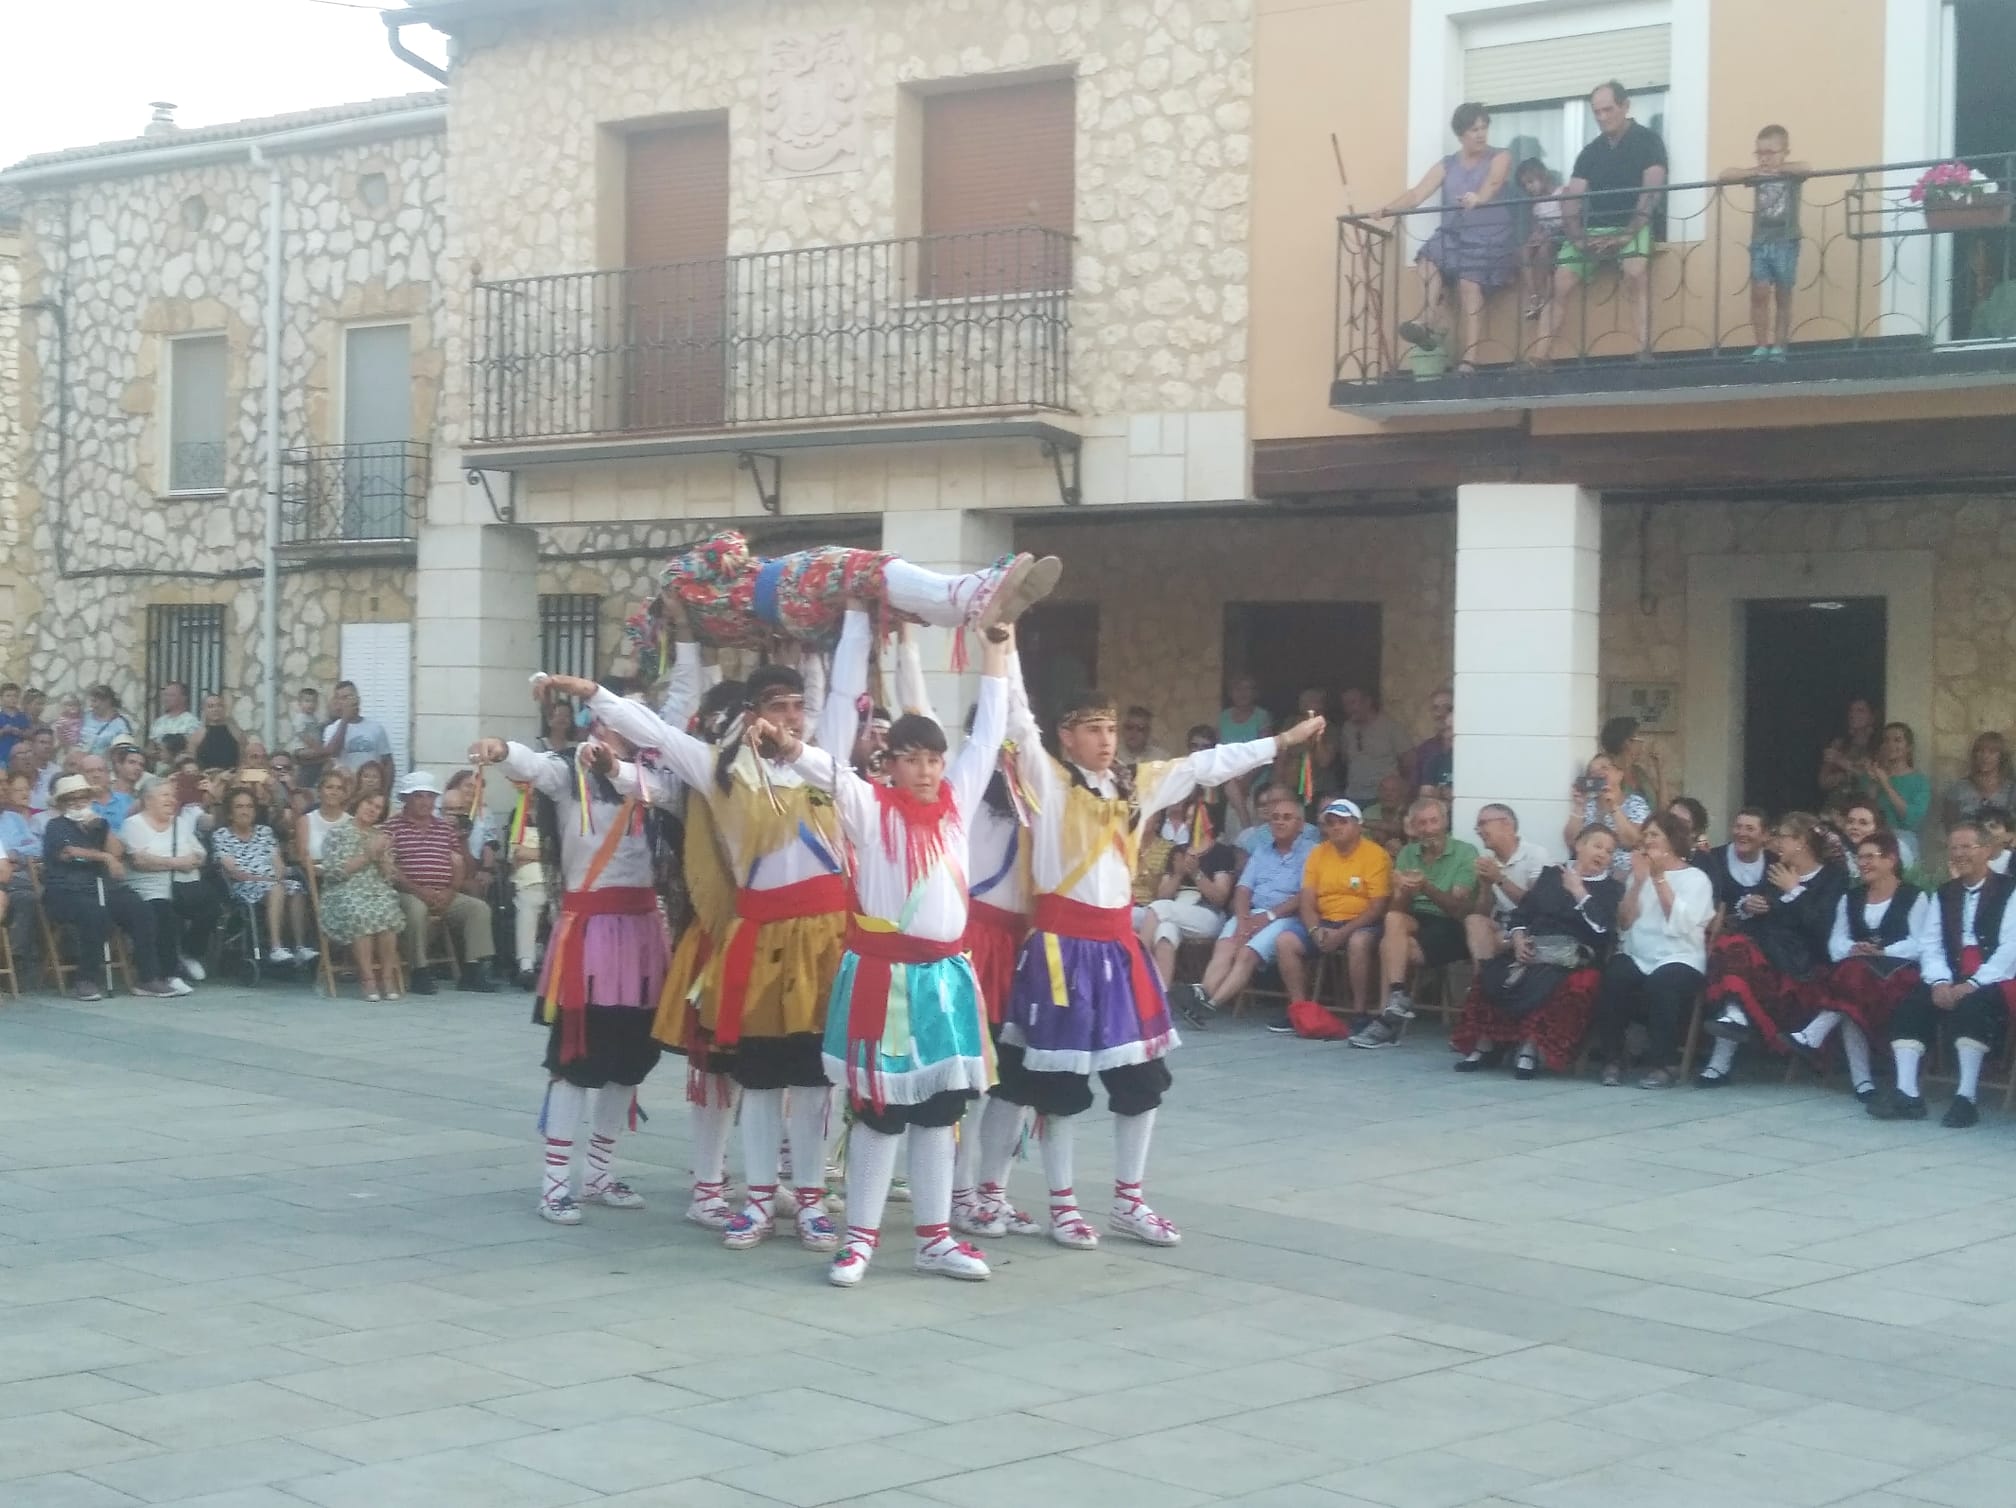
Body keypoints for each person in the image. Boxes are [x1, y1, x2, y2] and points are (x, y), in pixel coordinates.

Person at [544, 607, 877, 1255]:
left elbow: (842, 690)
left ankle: (810, 1203)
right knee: (757, 1079)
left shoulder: (825, 763)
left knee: (813, 1082)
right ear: (752, 713)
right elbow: (660, 737)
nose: (791, 717)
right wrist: (597, 696)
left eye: (796, 706)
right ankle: (753, 1202)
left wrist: (860, 611)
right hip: (758, 941)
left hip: (823, 944)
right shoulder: (720, 771)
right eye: (777, 707)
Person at [972, 681, 1321, 1251]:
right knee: (1057, 1085)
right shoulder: (1049, 783)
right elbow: (1018, 719)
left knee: (1144, 1080)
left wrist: (1280, 740)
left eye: (1110, 729)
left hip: (1116, 950)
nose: (1107, 740)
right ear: (1066, 737)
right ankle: (1062, 1207)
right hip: (1060, 950)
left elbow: (1208, 764)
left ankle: (1129, 1201)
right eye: (1093, 729)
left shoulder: (1138, 785)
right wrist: (1001, 642)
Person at [761, 626, 1012, 1285]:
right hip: (883, 978)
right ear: (890, 764)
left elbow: (989, 733)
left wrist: (997, 651)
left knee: (939, 1114)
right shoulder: (869, 811)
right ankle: (859, 1242)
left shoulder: (957, 806)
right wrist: (792, 740)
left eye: (934, 759)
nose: (927, 771)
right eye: (913, 759)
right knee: (879, 1113)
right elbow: (827, 766)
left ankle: (935, 1239)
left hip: (947, 981)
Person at [466, 720, 678, 1228]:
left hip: (644, 931)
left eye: (625, 727)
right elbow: (534, 767)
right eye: (606, 726)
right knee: (577, 1057)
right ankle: (556, 1182)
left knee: (632, 1059)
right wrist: (501, 750)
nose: (614, 736)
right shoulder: (569, 774)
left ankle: (600, 1172)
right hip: (591, 934)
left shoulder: (654, 779)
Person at [632, 529, 1060, 660]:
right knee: (857, 565)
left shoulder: (703, 631)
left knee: (873, 593)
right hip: (781, 585)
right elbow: (729, 544)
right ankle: (965, 595)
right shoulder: (673, 579)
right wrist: (728, 555)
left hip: (794, 618)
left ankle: (970, 605)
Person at [1867, 821, 2016, 1127]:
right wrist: (1938, 981)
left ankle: (1966, 1097)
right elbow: (1930, 944)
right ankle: (1907, 1093)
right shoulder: (1945, 893)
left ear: (1986, 851)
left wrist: (1973, 983)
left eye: (1966, 847)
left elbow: (2011, 947)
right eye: (1953, 848)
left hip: (1997, 976)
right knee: (1912, 1004)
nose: (1958, 854)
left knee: (1973, 1007)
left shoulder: (2010, 890)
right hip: (1952, 972)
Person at [1452, 824, 1620, 1077]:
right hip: (1535, 944)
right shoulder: (1551, 875)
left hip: (1573, 955)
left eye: (1609, 851)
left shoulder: (1611, 888)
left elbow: (1603, 929)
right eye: (1598, 846)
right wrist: (1518, 938)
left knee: (1548, 979)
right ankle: (1486, 1045)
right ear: (1579, 845)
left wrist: (1578, 891)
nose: (1603, 854)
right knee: (1493, 973)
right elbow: (1524, 912)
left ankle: (1529, 1048)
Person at [1698, 812, 1848, 1084]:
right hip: (1767, 955)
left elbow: (1821, 926)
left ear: (1801, 842)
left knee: (1736, 952)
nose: (1777, 843)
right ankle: (1733, 1023)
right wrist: (1749, 905)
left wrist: (1793, 890)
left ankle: (1724, 1050)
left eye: (1782, 837)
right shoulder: (1776, 869)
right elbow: (1763, 907)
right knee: (1731, 948)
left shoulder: (1833, 876)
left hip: (1803, 965)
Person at [1531, 81, 1668, 364]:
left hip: (1634, 225)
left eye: (1608, 109)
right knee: (1560, 281)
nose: (1602, 117)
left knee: (1634, 271)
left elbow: (1652, 190)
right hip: (1594, 228)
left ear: (1625, 106)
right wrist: (1578, 237)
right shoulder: (1591, 151)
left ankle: (1643, 349)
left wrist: (1628, 234)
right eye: (1597, 112)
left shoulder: (1648, 140)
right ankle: (1538, 359)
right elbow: (1572, 197)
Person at [1789, 830, 1926, 1102]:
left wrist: (1882, 951)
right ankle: (1862, 1083)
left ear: (1890, 859)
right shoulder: (1850, 898)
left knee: (1850, 983)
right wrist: (1853, 948)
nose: (1863, 863)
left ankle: (1820, 1040)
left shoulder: (1914, 896)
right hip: (1857, 975)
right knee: (1852, 989)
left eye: (1870, 857)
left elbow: (1921, 943)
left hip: (1899, 974)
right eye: (1860, 857)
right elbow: (1836, 940)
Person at [1383, 102, 1515, 373]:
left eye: (1483, 127)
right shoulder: (1448, 164)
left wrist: (1478, 198)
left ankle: (1470, 359)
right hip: (1456, 233)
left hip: (1489, 237)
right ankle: (1429, 319)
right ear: (1460, 135)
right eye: (1473, 129)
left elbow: (1493, 183)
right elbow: (1417, 194)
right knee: (1428, 259)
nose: (1480, 134)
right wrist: (1386, 209)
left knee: (1469, 284)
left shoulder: (1500, 156)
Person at [1593, 811, 1716, 1087]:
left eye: (1654, 835)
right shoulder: (1639, 875)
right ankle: (1613, 1058)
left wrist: (1659, 879)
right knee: (1614, 976)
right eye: (1645, 835)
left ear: (1672, 841)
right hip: (1639, 952)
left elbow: (1684, 923)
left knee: (1663, 984)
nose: (1647, 840)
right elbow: (1624, 921)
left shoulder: (1696, 878)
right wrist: (1637, 883)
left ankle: (1665, 1063)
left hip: (1680, 954)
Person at [1350, 798, 1478, 1047]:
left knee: (1391, 946)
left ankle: (1388, 1020)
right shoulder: (1409, 853)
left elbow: (1456, 909)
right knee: (1393, 919)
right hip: (1416, 919)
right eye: (1422, 824)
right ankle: (1397, 996)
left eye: (1434, 821)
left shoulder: (1465, 852)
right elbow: (1396, 910)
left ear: (1445, 822)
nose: (1429, 829)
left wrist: (1426, 887)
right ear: (1415, 828)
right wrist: (1402, 892)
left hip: (1451, 925)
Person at [1189, 786, 1323, 1022]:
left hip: (1287, 918)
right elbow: (1243, 889)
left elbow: (1304, 895)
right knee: (1226, 946)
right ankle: (1202, 993)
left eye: (1286, 818)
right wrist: (1242, 920)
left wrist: (1268, 917)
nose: (1279, 822)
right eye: (1275, 818)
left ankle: (1211, 1004)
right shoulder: (1261, 851)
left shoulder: (1312, 853)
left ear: (1301, 824)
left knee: (1247, 954)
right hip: (1252, 912)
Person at [41, 774, 177, 1000]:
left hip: (101, 887)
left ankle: (148, 977)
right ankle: (85, 979)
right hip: (65, 891)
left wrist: (103, 828)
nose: (77, 803)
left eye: (82, 798)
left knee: (140, 910)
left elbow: (116, 852)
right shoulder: (55, 826)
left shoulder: (98, 823)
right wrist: (104, 857)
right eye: (71, 799)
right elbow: (68, 852)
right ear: (62, 803)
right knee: (95, 914)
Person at [384, 770, 499, 993]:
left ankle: (472, 971)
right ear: (406, 799)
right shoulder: (392, 827)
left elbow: (459, 863)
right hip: (407, 893)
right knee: (417, 910)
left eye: (430, 796)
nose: (426, 802)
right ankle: (419, 971)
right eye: (419, 796)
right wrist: (419, 890)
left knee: (478, 909)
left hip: (445, 891)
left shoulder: (445, 828)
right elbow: (391, 869)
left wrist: (451, 890)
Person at [1277, 797, 1392, 1019]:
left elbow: (1377, 907)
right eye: (1331, 823)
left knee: (1358, 943)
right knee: (1285, 942)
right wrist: (1314, 930)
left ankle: (1360, 1013)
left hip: (1362, 923)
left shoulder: (1376, 855)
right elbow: (1307, 900)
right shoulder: (1318, 853)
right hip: (1324, 921)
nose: (1336, 827)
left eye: (1343, 822)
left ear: (1359, 825)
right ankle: (1300, 1011)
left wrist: (1341, 934)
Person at [1718, 125, 1810, 362]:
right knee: (1759, 294)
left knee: (1783, 295)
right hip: (1760, 242)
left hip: (1786, 241)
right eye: (1760, 153)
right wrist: (1756, 171)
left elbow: (1807, 168)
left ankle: (1779, 346)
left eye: (1770, 152)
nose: (1765, 158)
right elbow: (1725, 174)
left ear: (1784, 151)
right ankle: (1761, 346)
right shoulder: (1758, 174)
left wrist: (1780, 169)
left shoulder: (1791, 174)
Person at [1135, 795, 1243, 990]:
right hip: (1174, 910)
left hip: (1207, 914)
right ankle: (1161, 998)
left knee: (1160, 910)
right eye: (1189, 817)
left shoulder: (1221, 852)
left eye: (1197, 817)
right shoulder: (1178, 850)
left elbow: (1219, 898)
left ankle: (1137, 960)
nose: (1191, 821)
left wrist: (1196, 873)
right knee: (1164, 932)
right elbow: (1162, 895)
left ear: (1211, 821)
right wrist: (1178, 875)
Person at [316, 787, 407, 1001]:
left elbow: (389, 878)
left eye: (378, 808)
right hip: (343, 890)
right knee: (360, 912)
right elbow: (335, 872)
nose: (373, 810)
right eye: (369, 804)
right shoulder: (337, 833)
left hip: (375, 890)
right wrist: (368, 855)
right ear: (359, 803)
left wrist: (385, 858)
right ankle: (367, 979)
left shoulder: (380, 836)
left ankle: (386, 977)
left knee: (388, 911)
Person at [120, 776, 211, 990]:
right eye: (165, 795)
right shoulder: (133, 825)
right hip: (150, 889)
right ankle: (170, 974)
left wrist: (165, 861)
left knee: (211, 906)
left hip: (184, 887)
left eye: (173, 795)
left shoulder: (179, 823)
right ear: (148, 799)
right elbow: (140, 862)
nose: (172, 800)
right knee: (164, 913)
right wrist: (179, 862)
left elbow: (200, 855)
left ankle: (189, 953)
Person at [213, 786, 299, 965]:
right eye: (239, 807)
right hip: (243, 887)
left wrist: (278, 876)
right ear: (230, 813)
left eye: (249, 806)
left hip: (272, 882)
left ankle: (300, 947)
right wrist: (270, 881)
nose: (245, 811)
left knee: (297, 888)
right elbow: (235, 872)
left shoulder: (264, 832)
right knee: (277, 888)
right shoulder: (221, 835)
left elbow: (279, 866)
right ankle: (276, 947)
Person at [1567, 718, 1658, 877]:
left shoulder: (1635, 803)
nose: (1598, 772)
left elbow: (1634, 841)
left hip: (1625, 875)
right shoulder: (1588, 804)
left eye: (1604, 768)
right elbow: (1572, 841)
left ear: (1619, 774)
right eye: (1593, 771)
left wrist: (1614, 807)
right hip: (1590, 875)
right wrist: (1579, 807)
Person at [1465, 802, 1551, 965]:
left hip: (1532, 926)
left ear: (1506, 823)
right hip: (1504, 925)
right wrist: (1485, 886)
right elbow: (1483, 913)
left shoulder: (1535, 854)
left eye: (1483, 823)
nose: (1478, 831)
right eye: (1477, 826)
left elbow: (1538, 906)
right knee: (1474, 920)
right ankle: (1481, 984)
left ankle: (1485, 981)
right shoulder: (1489, 862)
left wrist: (1499, 879)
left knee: (1492, 941)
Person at [1862, 721, 1930, 867]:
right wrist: (1874, 782)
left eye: (1897, 740)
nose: (1891, 745)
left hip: (1903, 843)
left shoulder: (1919, 781)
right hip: (1872, 841)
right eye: (1886, 740)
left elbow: (1910, 819)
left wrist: (1886, 783)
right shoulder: (1873, 777)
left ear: (1909, 747)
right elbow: (1864, 812)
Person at [1337, 687, 1413, 807]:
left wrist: (1402, 791)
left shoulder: (1389, 727)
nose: (1349, 708)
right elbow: (1345, 760)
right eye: (1345, 704)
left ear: (1367, 702)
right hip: (1353, 795)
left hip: (1382, 798)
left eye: (1353, 703)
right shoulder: (1347, 728)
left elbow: (1410, 761)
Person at [312, 681, 395, 789]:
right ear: (338, 703)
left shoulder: (376, 728)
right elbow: (333, 753)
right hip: (345, 789)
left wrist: (386, 792)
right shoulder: (332, 729)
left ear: (358, 699)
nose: (347, 701)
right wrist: (345, 719)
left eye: (350, 696)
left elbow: (388, 762)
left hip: (370, 789)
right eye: (342, 698)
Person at [1700, 806, 1772, 931]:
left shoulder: (1774, 862)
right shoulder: (1713, 859)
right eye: (1738, 827)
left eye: (1750, 829)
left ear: (1765, 835)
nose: (1742, 833)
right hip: (1721, 940)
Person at [1515, 158, 1566, 321]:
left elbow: (1568, 221)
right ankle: (1533, 296)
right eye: (1525, 185)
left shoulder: (1561, 193)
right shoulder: (1536, 203)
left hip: (1561, 238)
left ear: (1542, 176)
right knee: (1523, 251)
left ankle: (1544, 296)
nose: (1529, 188)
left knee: (1543, 250)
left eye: (1531, 182)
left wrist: (1547, 235)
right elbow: (1537, 226)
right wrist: (1535, 236)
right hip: (1546, 237)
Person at [1818, 696, 1880, 809]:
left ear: (1872, 717)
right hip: (1835, 806)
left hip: (1861, 809)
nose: (1853, 715)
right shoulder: (1839, 744)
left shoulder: (1878, 747)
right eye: (1851, 710)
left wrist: (1841, 762)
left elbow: (1874, 781)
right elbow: (1823, 782)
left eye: (1860, 710)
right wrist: (1845, 775)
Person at [1946, 732, 2016, 829]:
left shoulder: (2012, 790)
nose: (1985, 756)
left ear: (2002, 757)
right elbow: (1949, 827)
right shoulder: (1958, 789)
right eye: (1980, 751)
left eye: (1992, 752)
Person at [1406, 689, 1453, 798]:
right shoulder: (1425, 749)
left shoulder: (1471, 749)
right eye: (1435, 708)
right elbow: (1414, 788)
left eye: (1448, 708)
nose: (1441, 713)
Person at [79, 685, 137, 754]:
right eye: (91, 701)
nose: (91, 705)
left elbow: (124, 751)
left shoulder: (121, 724)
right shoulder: (86, 716)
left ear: (107, 702)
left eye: (94, 701)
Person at [289, 687, 324, 787]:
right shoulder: (300, 718)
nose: (310, 704)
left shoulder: (314, 718)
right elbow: (302, 735)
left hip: (312, 747)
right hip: (301, 747)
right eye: (307, 701)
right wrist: (317, 748)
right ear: (300, 703)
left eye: (313, 701)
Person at [148, 681, 201, 747]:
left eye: (171, 695)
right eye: (165, 695)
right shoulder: (158, 722)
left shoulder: (192, 722)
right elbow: (150, 746)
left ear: (183, 698)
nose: (166, 699)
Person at [0, 683, 30, 766]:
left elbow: (29, 734)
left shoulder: (22, 716)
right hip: (2, 758)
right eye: (8, 696)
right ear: (1, 698)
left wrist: (19, 732)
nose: (12, 699)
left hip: (20, 759)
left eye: (15, 696)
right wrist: (4, 731)